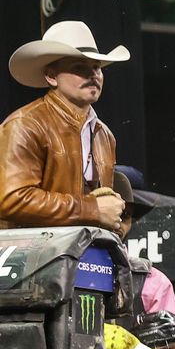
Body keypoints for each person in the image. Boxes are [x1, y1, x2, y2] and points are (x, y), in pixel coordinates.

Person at [1, 22, 131, 234]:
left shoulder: (104, 135)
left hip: (83, 251)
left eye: (96, 67)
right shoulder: (25, 124)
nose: (93, 75)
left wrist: (117, 222)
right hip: (32, 256)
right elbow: (12, 199)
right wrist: (93, 209)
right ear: (51, 76)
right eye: (79, 67)